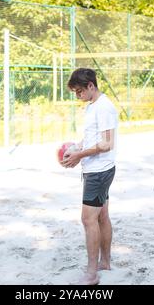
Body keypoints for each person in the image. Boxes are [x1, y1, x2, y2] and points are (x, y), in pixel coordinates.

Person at [62, 68, 118, 285]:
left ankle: (92, 273)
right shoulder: (92, 105)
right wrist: (75, 147)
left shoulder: (104, 107)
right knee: (102, 216)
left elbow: (106, 144)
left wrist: (79, 155)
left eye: (79, 91)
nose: (77, 95)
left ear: (90, 86)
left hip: (99, 172)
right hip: (98, 169)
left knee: (88, 220)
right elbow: (92, 138)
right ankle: (105, 263)